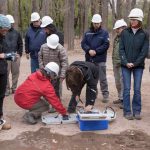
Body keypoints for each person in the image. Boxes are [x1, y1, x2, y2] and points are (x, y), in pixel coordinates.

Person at [119, 8, 149, 120]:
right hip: (125, 65)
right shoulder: (124, 32)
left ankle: (137, 111)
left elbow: (144, 51)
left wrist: (135, 63)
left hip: (138, 66)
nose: (132, 21)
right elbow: (121, 49)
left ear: (140, 21)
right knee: (126, 89)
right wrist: (126, 62)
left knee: (137, 89)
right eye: (131, 19)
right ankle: (127, 111)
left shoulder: (145, 34)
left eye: (134, 20)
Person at [81, 14, 110, 103]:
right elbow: (83, 44)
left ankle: (105, 95)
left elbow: (106, 45)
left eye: (97, 23)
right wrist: (89, 50)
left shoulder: (104, 33)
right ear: (92, 23)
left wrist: (96, 51)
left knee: (102, 78)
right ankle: (93, 93)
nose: (96, 25)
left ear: (100, 23)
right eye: (94, 23)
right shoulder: (87, 32)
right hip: (89, 59)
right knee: (91, 78)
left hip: (100, 59)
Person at [38, 34, 68, 99]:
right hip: (45, 72)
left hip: (56, 73)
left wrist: (62, 75)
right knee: (45, 87)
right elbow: (40, 57)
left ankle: (57, 101)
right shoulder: (43, 47)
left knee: (56, 89)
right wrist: (41, 66)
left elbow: (64, 63)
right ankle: (46, 100)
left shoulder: (61, 49)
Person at [0, 14, 15, 130]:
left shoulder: (3, 37)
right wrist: (4, 55)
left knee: (1, 96)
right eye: (4, 29)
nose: (6, 31)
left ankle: (0, 120)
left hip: (2, 70)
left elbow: (4, 52)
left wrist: (10, 56)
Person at [4, 15, 23, 96]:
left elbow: (20, 44)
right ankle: (7, 89)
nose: (11, 24)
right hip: (6, 55)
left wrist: (19, 53)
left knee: (15, 72)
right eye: (9, 23)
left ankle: (14, 88)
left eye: (12, 23)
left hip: (15, 54)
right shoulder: (2, 32)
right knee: (6, 72)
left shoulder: (16, 33)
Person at [112, 19, 127, 109]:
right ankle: (120, 97)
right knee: (117, 82)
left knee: (123, 82)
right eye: (116, 29)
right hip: (115, 62)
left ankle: (124, 100)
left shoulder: (127, 37)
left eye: (118, 29)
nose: (116, 30)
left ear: (123, 28)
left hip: (123, 63)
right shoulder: (116, 38)